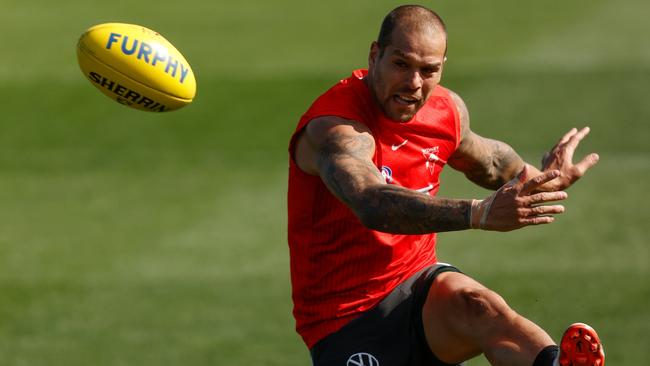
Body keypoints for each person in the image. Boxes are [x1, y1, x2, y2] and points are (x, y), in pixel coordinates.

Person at [287, 5, 605, 366]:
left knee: (481, 308)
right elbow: (371, 202)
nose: (414, 83)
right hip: (344, 317)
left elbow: (491, 162)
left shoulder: (444, 110)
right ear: (375, 55)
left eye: (429, 70)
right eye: (401, 64)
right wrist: (479, 213)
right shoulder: (335, 129)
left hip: (417, 282)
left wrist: (542, 178)